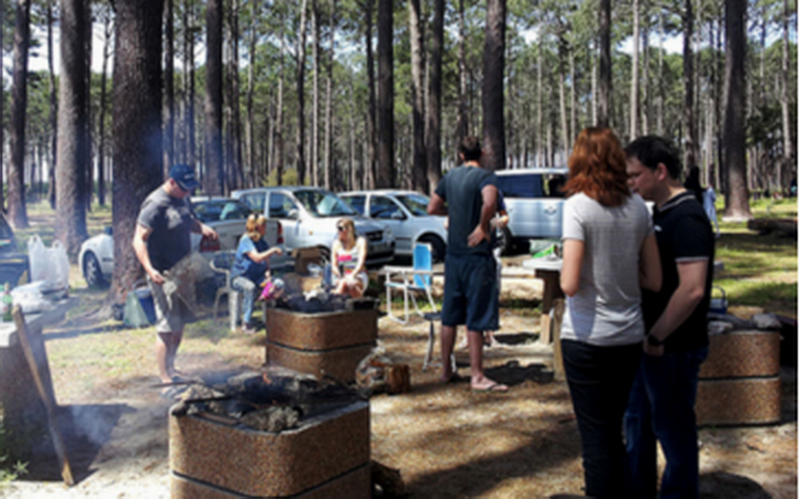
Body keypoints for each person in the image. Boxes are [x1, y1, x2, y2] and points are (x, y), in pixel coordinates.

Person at [558, 128, 662, 498]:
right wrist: (618, 265)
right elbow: (654, 278)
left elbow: (569, 283)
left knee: (596, 442)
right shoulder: (638, 208)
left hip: (587, 337)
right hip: (629, 336)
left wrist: (576, 264)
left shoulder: (578, 206)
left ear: (579, 159)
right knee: (614, 433)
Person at [624, 135, 715, 499]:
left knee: (675, 437)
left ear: (660, 172)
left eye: (635, 175)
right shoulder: (659, 213)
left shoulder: (688, 218)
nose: (630, 183)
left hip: (674, 349)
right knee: (638, 427)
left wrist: (658, 337)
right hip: (649, 346)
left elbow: (692, 290)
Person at [427, 135, 507, 392]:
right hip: (476, 257)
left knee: (449, 315)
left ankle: (446, 370)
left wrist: (453, 212)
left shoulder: (450, 177)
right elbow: (491, 202)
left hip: (454, 257)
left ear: (461, 155)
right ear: (481, 153)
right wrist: (482, 226)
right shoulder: (486, 177)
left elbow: (432, 208)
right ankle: (477, 376)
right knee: (476, 315)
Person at [132, 164, 218, 386]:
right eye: (184, 188)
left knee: (179, 326)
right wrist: (150, 270)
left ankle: (171, 366)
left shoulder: (183, 199)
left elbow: (189, 222)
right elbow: (138, 240)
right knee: (167, 327)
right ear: (171, 182)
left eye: (190, 188)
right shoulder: (155, 205)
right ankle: (165, 378)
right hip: (164, 273)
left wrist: (203, 228)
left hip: (184, 270)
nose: (188, 193)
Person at [230, 214, 284, 335]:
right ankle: (246, 323)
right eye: (263, 225)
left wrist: (268, 276)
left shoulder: (262, 242)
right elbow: (257, 258)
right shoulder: (246, 240)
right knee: (250, 287)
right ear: (256, 227)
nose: (265, 227)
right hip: (240, 277)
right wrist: (274, 250)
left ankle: (273, 317)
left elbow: (266, 264)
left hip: (258, 277)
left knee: (278, 284)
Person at [331, 217, 368, 298]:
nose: (338, 231)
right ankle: (361, 304)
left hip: (358, 275)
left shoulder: (360, 242)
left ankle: (334, 301)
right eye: (337, 228)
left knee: (349, 284)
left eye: (340, 228)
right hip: (341, 275)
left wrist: (352, 275)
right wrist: (341, 275)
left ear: (349, 229)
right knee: (346, 284)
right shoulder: (336, 244)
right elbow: (334, 266)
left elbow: (361, 263)